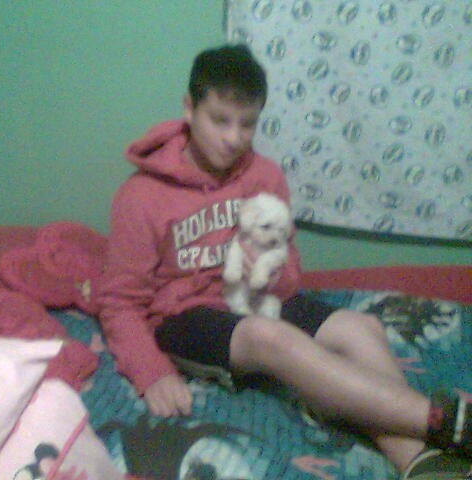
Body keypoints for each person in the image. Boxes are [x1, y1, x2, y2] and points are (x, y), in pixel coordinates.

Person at [97, 43, 472, 478]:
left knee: (361, 327)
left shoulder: (264, 175)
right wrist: (150, 371)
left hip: (255, 297)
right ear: (189, 109)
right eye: (220, 120)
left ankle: (416, 459)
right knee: (272, 338)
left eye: (248, 124)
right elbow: (119, 302)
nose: (234, 138)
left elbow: (291, 275)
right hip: (184, 316)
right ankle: (447, 421)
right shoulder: (141, 195)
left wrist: (272, 270)